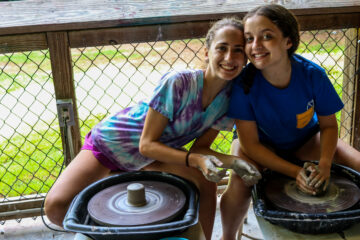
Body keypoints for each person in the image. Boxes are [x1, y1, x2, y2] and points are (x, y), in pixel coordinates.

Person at [44, 17, 261, 240]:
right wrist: (197, 161)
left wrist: (234, 162)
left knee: (206, 181)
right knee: (56, 208)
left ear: (245, 58)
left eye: (237, 51)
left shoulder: (228, 101)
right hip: (112, 145)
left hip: (155, 154)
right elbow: (146, 144)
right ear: (207, 52)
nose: (229, 58)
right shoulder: (178, 83)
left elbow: (202, 148)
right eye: (221, 48)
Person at [220, 4, 360, 240]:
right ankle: (227, 236)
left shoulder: (312, 75)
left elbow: (328, 126)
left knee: (356, 161)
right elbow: (250, 145)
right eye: (249, 38)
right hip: (259, 145)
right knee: (241, 182)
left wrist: (324, 165)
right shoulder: (243, 84)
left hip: (304, 138)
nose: (256, 46)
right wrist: (295, 171)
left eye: (267, 36)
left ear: (288, 41)